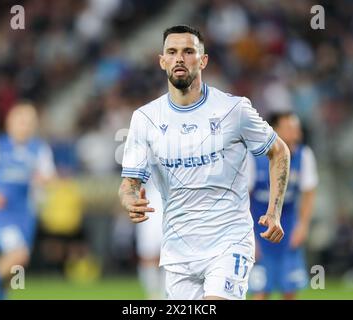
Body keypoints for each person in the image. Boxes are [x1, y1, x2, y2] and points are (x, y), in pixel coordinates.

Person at [118, 25, 290, 300]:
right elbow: (129, 182)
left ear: (203, 60)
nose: (180, 58)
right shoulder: (145, 119)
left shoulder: (234, 110)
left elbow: (279, 151)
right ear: (162, 61)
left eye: (188, 51)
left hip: (228, 242)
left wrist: (274, 210)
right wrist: (129, 200)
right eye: (172, 52)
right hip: (177, 250)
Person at [0, 103, 56, 299]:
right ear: (10, 122)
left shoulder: (39, 149)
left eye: (29, 122)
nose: (25, 126)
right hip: (4, 211)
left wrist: (44, 181)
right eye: (21, 120)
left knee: (18, 264)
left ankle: (0, 294)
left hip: (26, 212)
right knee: (18, 254)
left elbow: (50, 177)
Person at [247, 111, 318, 300]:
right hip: (259, 228)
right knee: (260, 289)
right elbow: (243, 197)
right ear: (274, 131)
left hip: (287, 226)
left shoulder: (305, 155)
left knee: (290, 287)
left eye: (296, 127)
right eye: (289, 127)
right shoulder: (254, 157)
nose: (295, 132)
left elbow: (309, 192)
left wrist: (302, 226)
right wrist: (248, 235)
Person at [135, 177, 165, 299]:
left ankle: (165, 295)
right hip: (147, 200)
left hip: (170, 202)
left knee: (169, 254)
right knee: (147, 254)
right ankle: (152, 295)